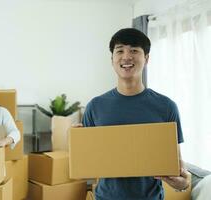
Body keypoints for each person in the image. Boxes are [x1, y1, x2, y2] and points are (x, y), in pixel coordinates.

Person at [82, 28, 191, 200]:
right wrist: (76, 140)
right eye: (120, 51)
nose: (126, 57)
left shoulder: (166, 107)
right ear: (112, 60)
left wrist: (182, 183)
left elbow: (177, 165)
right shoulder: (95, 107)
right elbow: (87, 162)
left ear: (146, 59)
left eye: (134, 50)